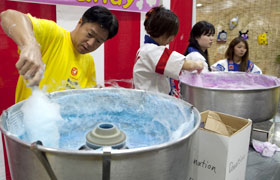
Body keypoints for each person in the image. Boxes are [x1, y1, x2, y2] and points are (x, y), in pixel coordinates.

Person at [0, 6, 119, 103]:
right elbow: (8, 15)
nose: (90, 43)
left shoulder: (88, 61)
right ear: (80, 22)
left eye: (98, 41)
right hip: (31, 123)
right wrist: (30, 44)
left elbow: (84, 96)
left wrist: (94, 94)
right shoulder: (54, 35)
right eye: (90, 34)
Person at [133, 6, 204, 95]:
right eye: (172, 34)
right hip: (151, 102)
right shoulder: (152, 51)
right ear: (164, 32)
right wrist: (199, 64)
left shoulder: (147, 49)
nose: (173, 39)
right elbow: (188, 65)